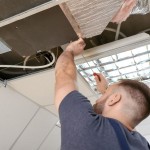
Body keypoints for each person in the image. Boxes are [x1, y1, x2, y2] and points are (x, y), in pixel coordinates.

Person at [55, 38, 150, 150]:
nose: (97, 100)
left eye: (104, 96)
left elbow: (64, 74)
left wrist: (70, 50)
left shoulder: (91, 126)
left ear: (114, 99)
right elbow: (127, 121)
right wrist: (107, 92)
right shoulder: (141, 145)